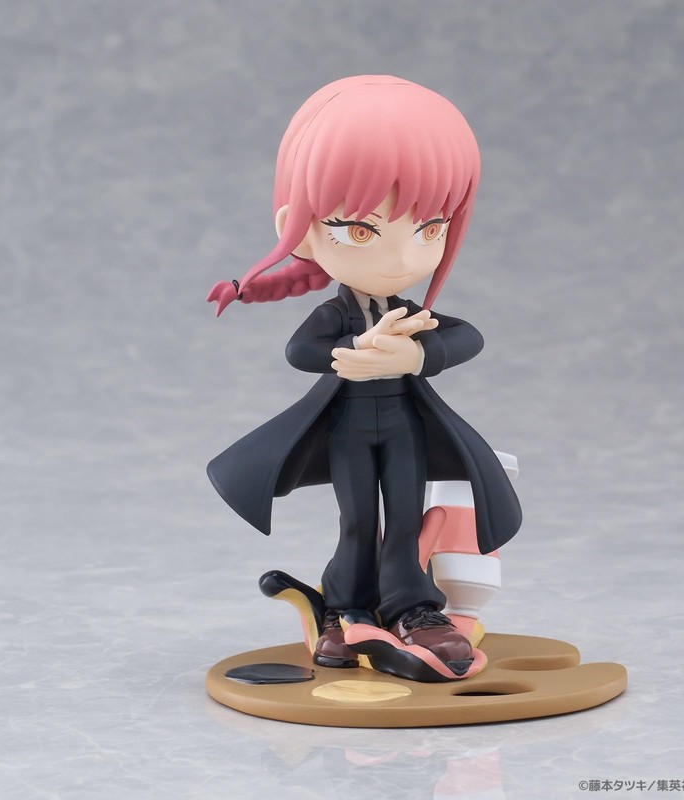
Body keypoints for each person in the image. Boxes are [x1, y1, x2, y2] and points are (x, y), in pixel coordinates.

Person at [206, 75, 522, 675]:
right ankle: (345, 607)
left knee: (403, 518)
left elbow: (468, 336)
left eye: (429, 229)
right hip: (349, 432)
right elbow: (301, 349)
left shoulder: (409, 313)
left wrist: (415, 358)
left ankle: (412, 608)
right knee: (357, 520)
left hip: (404, 429)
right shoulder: (337, 314)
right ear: (297, 227)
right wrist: (352, 350)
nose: (402, 258)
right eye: (361, 230)